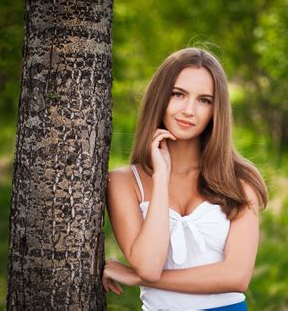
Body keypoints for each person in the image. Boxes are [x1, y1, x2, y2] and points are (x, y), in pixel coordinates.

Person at [102, 47, 268, 310]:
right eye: (178, 94)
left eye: (204, 100)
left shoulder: (238, 180)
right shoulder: (123, 183)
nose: (189, 110)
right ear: (160, 97)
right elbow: (148, 266)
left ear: (216, 111)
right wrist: (161, 176)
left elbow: (237, 276)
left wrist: (134, 277)